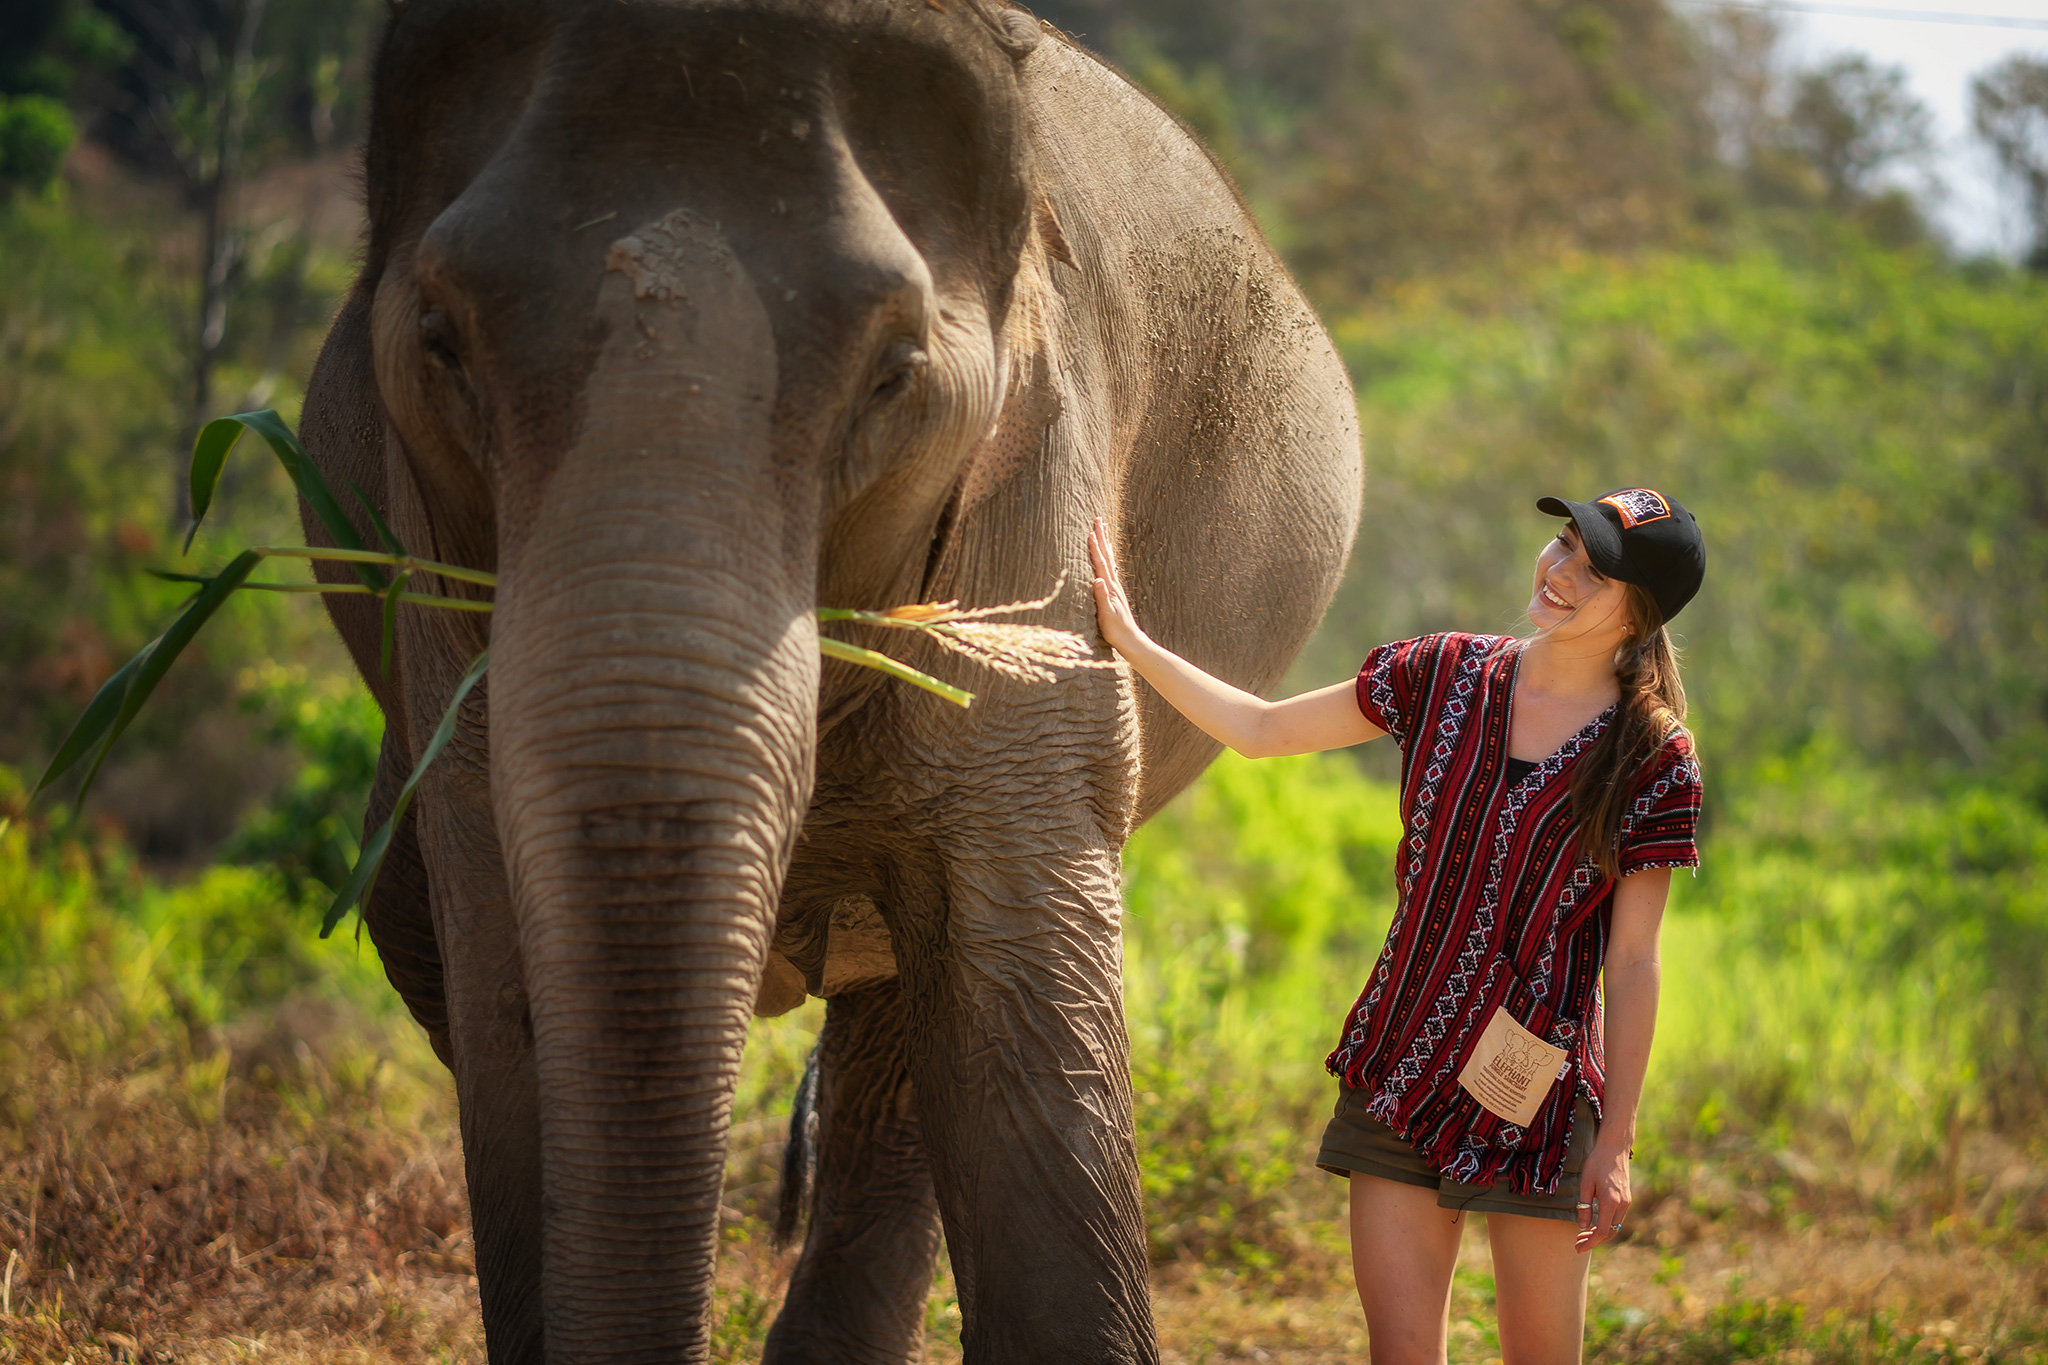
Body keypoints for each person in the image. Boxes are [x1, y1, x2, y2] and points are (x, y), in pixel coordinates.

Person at [1088, 489, 1706, 1365]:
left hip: (1539, 1102)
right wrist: (1131, 641)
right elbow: (1263, 731)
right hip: (1400, 1068)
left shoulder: (1654, 758)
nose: (1560, 570)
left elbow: (1635, 961)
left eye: (1594, 569)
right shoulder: (1443, 671)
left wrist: (1617, 1139)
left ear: (1639, 611)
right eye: (1564, 543)